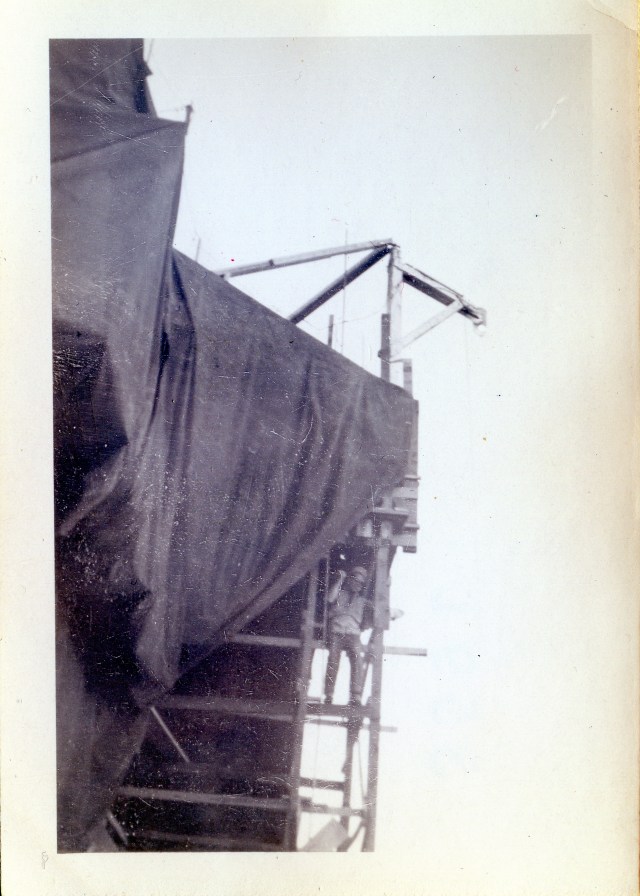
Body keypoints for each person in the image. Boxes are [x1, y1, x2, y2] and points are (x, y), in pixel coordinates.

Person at [323, 565, 370, 705]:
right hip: (337, 631)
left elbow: (378, 612)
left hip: (353, 634)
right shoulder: (339, 593)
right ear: (350, 580)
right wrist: (340, 579)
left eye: (361, 582)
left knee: (357, 657)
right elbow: (330, 599)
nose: (358, 585)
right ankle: (329, 694)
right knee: (333, 659)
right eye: (356, 580)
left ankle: (356, 695)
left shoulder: (363, 601)